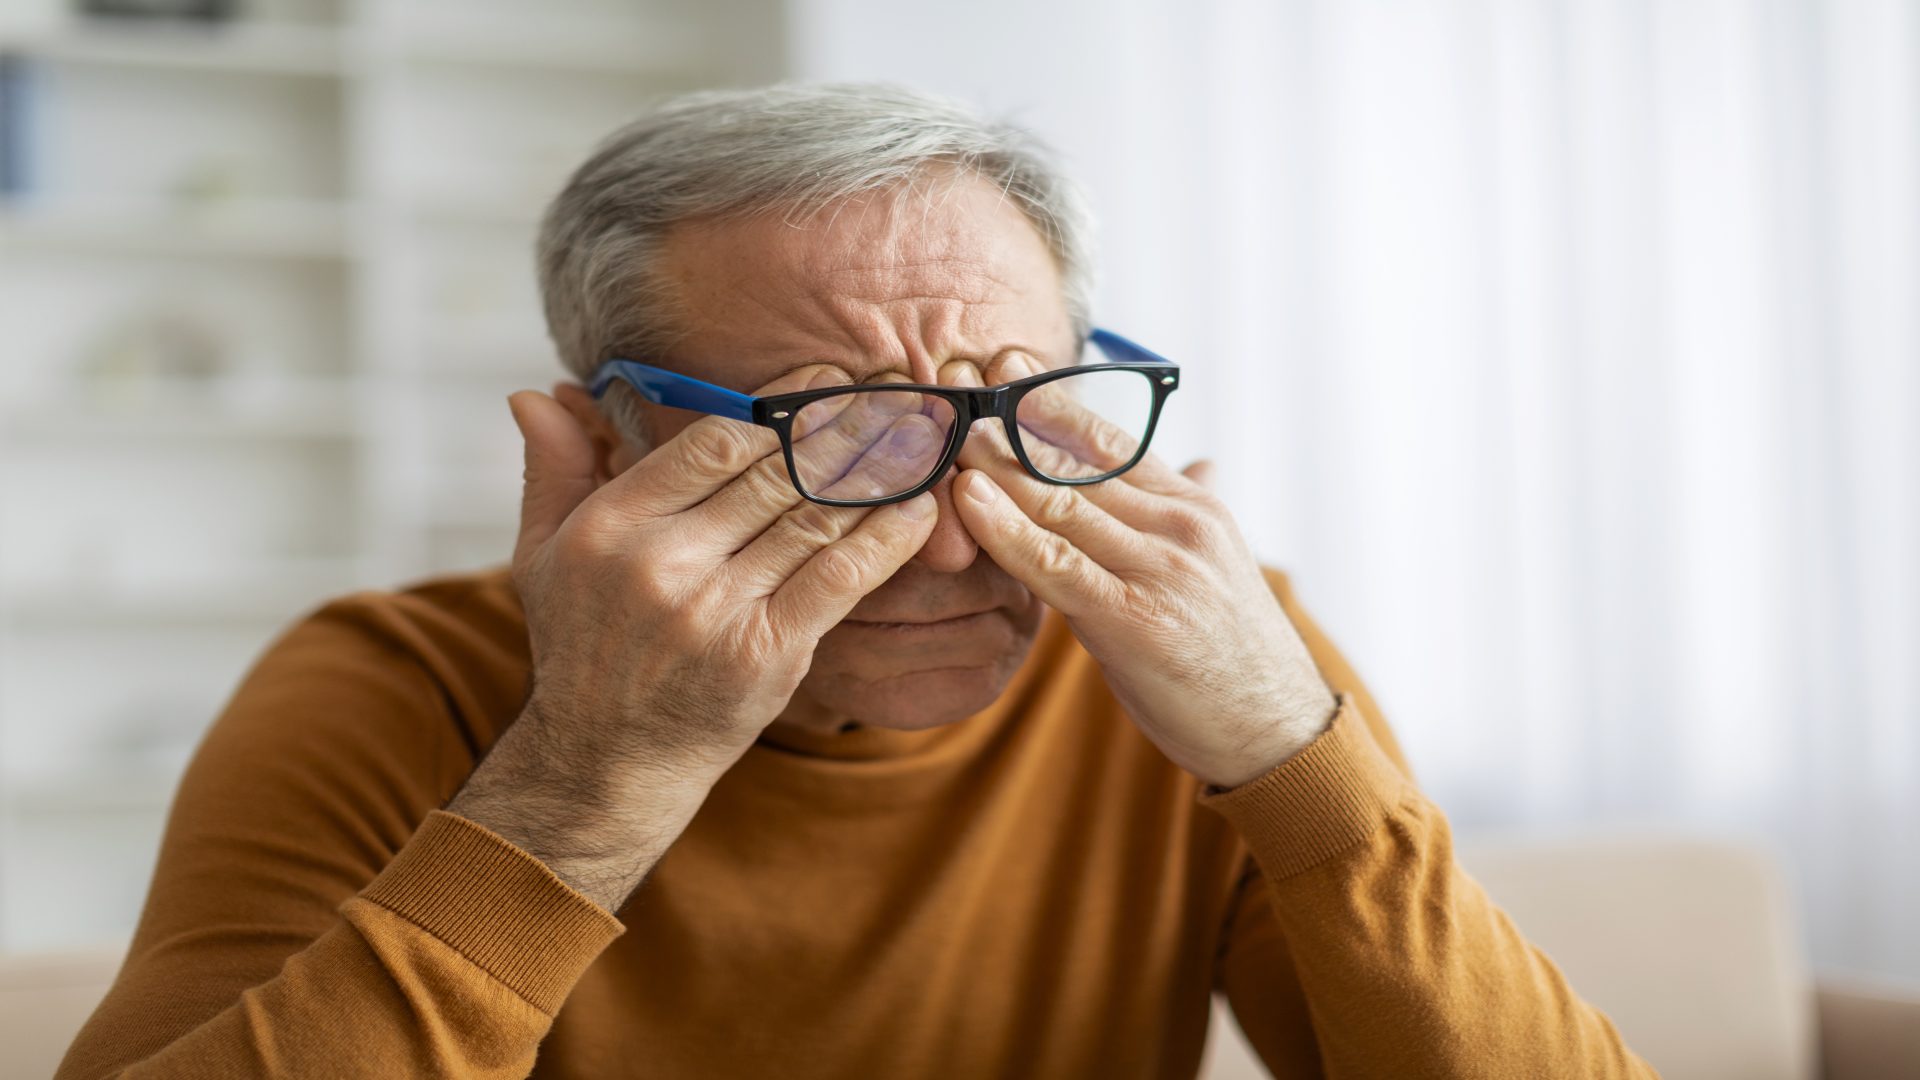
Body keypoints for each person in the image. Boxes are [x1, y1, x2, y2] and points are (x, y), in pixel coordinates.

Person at [58, 83, 1653, 1079]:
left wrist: (1294, 754)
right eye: (842, 431)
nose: (959, 536)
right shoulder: (384, 687)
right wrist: (586, 781)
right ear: (600, 444)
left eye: (1016, 407)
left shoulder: (1203, 651)